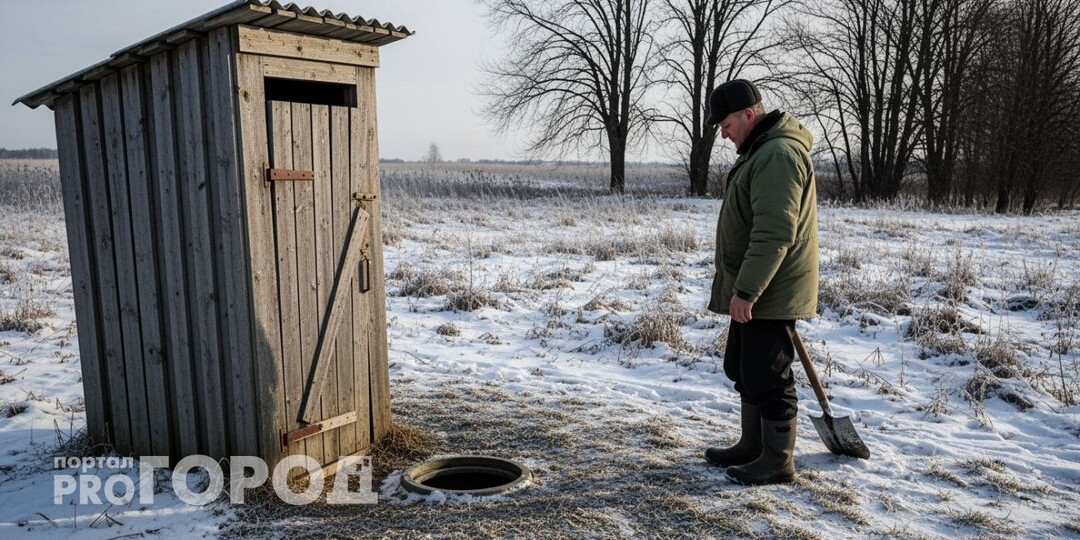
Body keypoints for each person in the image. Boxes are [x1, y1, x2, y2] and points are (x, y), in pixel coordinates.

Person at [702, 79, 819, 485]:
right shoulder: (762, 150)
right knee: (744, 367)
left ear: (749, 115)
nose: (723, 134)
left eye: (726, 125)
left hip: (771, 291)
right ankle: (752, 446)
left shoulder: (777, 155)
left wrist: (748, 291)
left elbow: (773, 232)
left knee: (769, 376)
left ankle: (777, 461)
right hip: (757, 288)